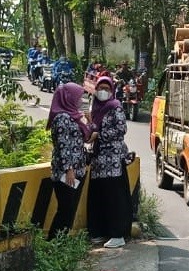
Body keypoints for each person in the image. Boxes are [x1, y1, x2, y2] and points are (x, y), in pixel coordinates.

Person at [87, 76, 135, 248]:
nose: (103, 92)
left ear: (112, 90)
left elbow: (121, 129)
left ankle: (118, 234)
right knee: (99, 196)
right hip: (98, 159)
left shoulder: (116, 107)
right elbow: (93, 130)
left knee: (115, 197)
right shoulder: (95, 108)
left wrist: (99, 135)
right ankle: (99, 232)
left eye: (107, 88)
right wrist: (89, 127)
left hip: (113, 159)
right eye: (101, 88)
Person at [45, 82, 90, 239]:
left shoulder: (74, 116)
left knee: (69, 209)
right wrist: (69, 169)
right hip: (66, 173)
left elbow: (86, 137)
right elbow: (63, 146)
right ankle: (54, 242)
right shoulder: (62, 119)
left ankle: (61, 242)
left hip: (76, 171)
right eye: (78, 97)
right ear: (68, 98)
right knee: (65, 209)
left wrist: (89, 121)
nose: (80, 101)